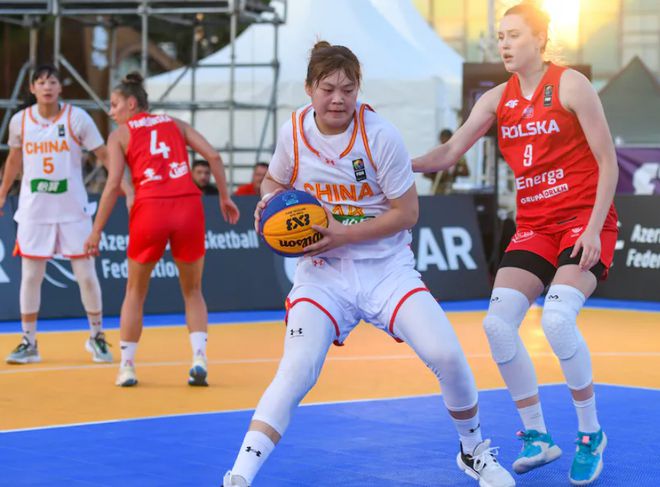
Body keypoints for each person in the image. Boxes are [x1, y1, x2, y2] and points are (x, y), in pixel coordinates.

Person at [222, 41, 515, 487]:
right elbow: (274, 181)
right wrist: (268, 202)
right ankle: (240, 474)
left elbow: (407, 213)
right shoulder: (293, 131)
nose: (338, 99)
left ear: (359, 89)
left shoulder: (380, 135)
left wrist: (342, 232)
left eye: (348, 89)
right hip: (322, 273)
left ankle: (472, 450)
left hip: (385, 269)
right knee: (296, 370)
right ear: (309, 89)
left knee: (447, 355)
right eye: (328, 89)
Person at [413, 4, 618, 485]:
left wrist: (593, 228)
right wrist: (395, 163)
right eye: (500, 36)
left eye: (513, 35)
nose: (503, 44)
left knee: (557, 319)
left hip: (583, 220)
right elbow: (450, 152)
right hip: (535, 225)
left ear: (540, 39)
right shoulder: (496, 99)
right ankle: (537, 435)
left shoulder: (571, 85)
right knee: (497, 325)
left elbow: (608, 161)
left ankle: (591, 434)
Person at [84, 72, 240, 387]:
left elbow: (113, 185)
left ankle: (127, 366)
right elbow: (213, 156)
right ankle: (199, 358)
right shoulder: (175, 123)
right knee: (193, 291)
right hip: (187, 206)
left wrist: (96, 230)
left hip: (150, 207)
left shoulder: (120, 135)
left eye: (114, 105)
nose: (111, 112)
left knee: (135, 292)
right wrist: (225, 196)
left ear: (131, 103)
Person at [0, 64, 113, 365]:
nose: (47, 87)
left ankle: (97, 336)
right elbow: (14, 160)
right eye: (41, 82)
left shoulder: (77, 118)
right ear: (32, 88)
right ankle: (29, 342)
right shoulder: (20, 121)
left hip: (73, 210)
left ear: (60, 87)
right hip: (34, 210)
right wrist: (2, 192)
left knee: (86, 275)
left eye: (52, 82)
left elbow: (104, 154)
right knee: (30, 276)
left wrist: (124, 185)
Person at [423, 129, 470, 194]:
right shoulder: (434, 153)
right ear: (440, 139)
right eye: (443, 139)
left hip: (451, 190)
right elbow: (425, 173)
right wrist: (436, 173)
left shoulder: (458, 153)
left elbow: (466, 172)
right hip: (437, 190)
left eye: (448, 139)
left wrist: (453, 171)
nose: (445, 142)